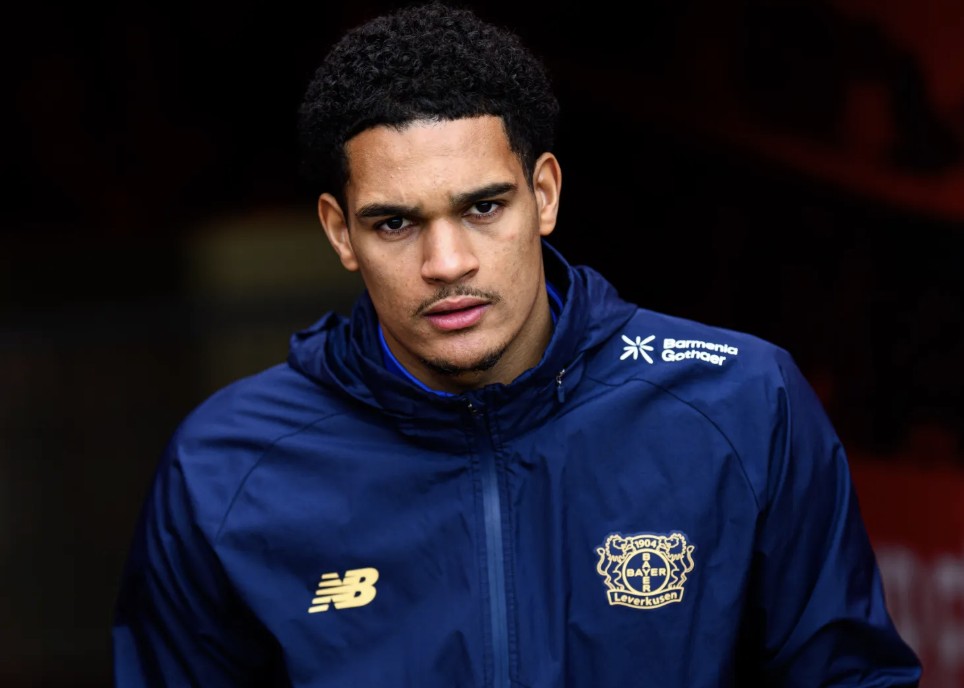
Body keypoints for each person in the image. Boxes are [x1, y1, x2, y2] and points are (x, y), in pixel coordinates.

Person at [111, 2, 923, 686]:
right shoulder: (227, 469)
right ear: (340, 232)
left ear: (544, 194)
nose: (447, 263)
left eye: (483, 208)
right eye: (395, 223)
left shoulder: (743, 406)